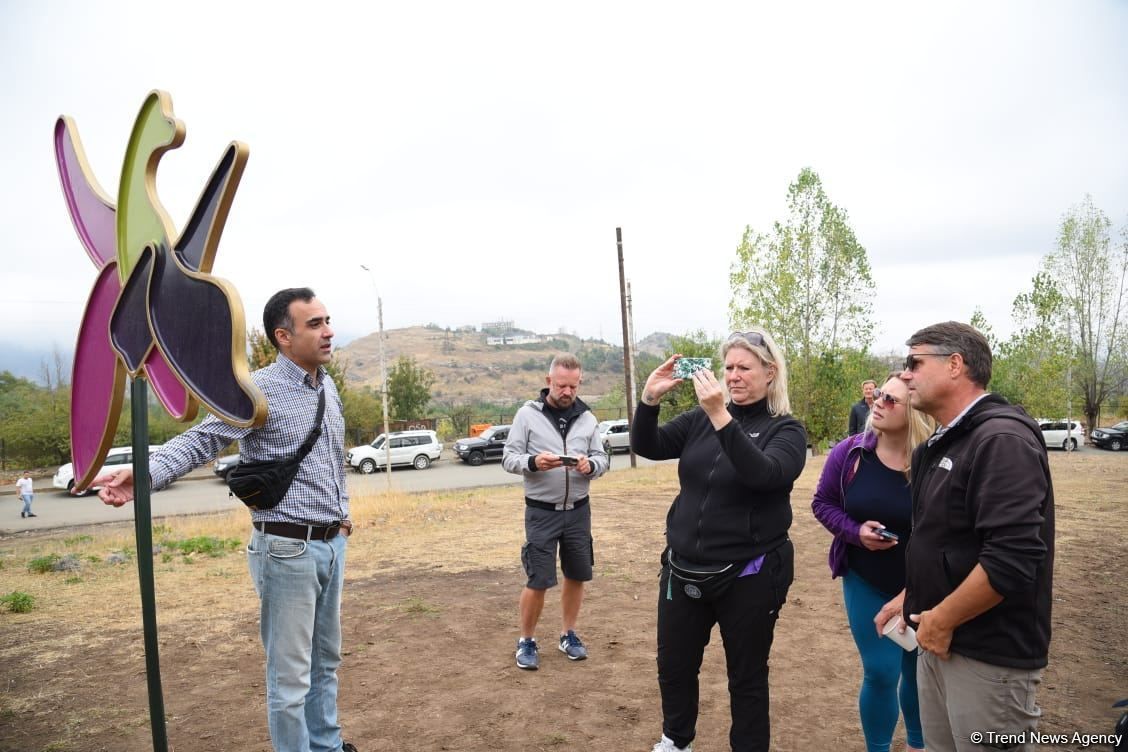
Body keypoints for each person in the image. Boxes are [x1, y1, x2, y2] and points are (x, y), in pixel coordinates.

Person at [94, 287, 359, 752]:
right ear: (283, 336)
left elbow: (331, 459)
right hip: (286, 549)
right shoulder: (255, 391)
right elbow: (201, 439)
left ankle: (328, 746)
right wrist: (145, 472)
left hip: (332, 546)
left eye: (327, 321)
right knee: (291, 677)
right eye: (314, 324)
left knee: (326, 663)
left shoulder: (328, 386)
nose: (328, 331)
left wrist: (343, 516)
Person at [875, 321, 1055, 752]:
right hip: (937, 641)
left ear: (955, 365)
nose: (904, 375)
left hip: (987, 656)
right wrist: (911, 596)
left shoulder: (1001, 439)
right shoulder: (940, 444)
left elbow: (1012, 558)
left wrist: (943, 619)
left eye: (914, 362)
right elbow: (945, 541)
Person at [632, 329, 807, 752]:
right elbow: (648, 446)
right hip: (683, 566)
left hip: (750, 573)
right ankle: (676, 741)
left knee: (745, 675)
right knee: (674, 666)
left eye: (744, 368)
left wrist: (721, 418)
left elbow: (764, 475)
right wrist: (649, 401)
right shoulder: (698, 421)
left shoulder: (787, 430)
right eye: (728, 367)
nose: (733, 376)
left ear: (770, 372)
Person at [811, 375, 934, 752]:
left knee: (918, 675)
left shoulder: (934, 461)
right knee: (881, 673)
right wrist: (854, 531)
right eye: (879, 394)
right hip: (866, 580)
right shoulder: (850, 454)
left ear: (914, 411)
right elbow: (823, 504)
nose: (878, 402)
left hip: (924, 585)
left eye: (891, 400)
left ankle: (918, 745)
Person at [503, 354, 609, 670]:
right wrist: (533, 462)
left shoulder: (588, 418)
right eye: (561, 385)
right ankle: (526, 641)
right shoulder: (527, 415)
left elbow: (602, 459)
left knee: (576, 575)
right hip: (541, 512)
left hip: (578, 511)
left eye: (573, 386)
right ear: (549, 381)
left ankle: (568, 634)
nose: (567, 392)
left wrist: (592, 466)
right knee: (539, 579)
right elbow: (508, 458)